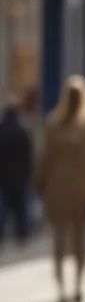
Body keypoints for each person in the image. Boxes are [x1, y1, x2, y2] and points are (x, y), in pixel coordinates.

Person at [34, 75, 85, 302]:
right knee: (78, 240)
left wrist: (38, 182)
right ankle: (76, 286)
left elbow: (44, 157)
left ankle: (64, 289)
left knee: (61, 239)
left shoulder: (55, 122)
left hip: (59, 187)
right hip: (81, 188)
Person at [0, 92, 33, 247]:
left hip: (3, 176)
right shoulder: (23, 130)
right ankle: (22, 235)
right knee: (21, 208)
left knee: (3, 208)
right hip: (20, 176)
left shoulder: (2, 130)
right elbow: (29, 156)